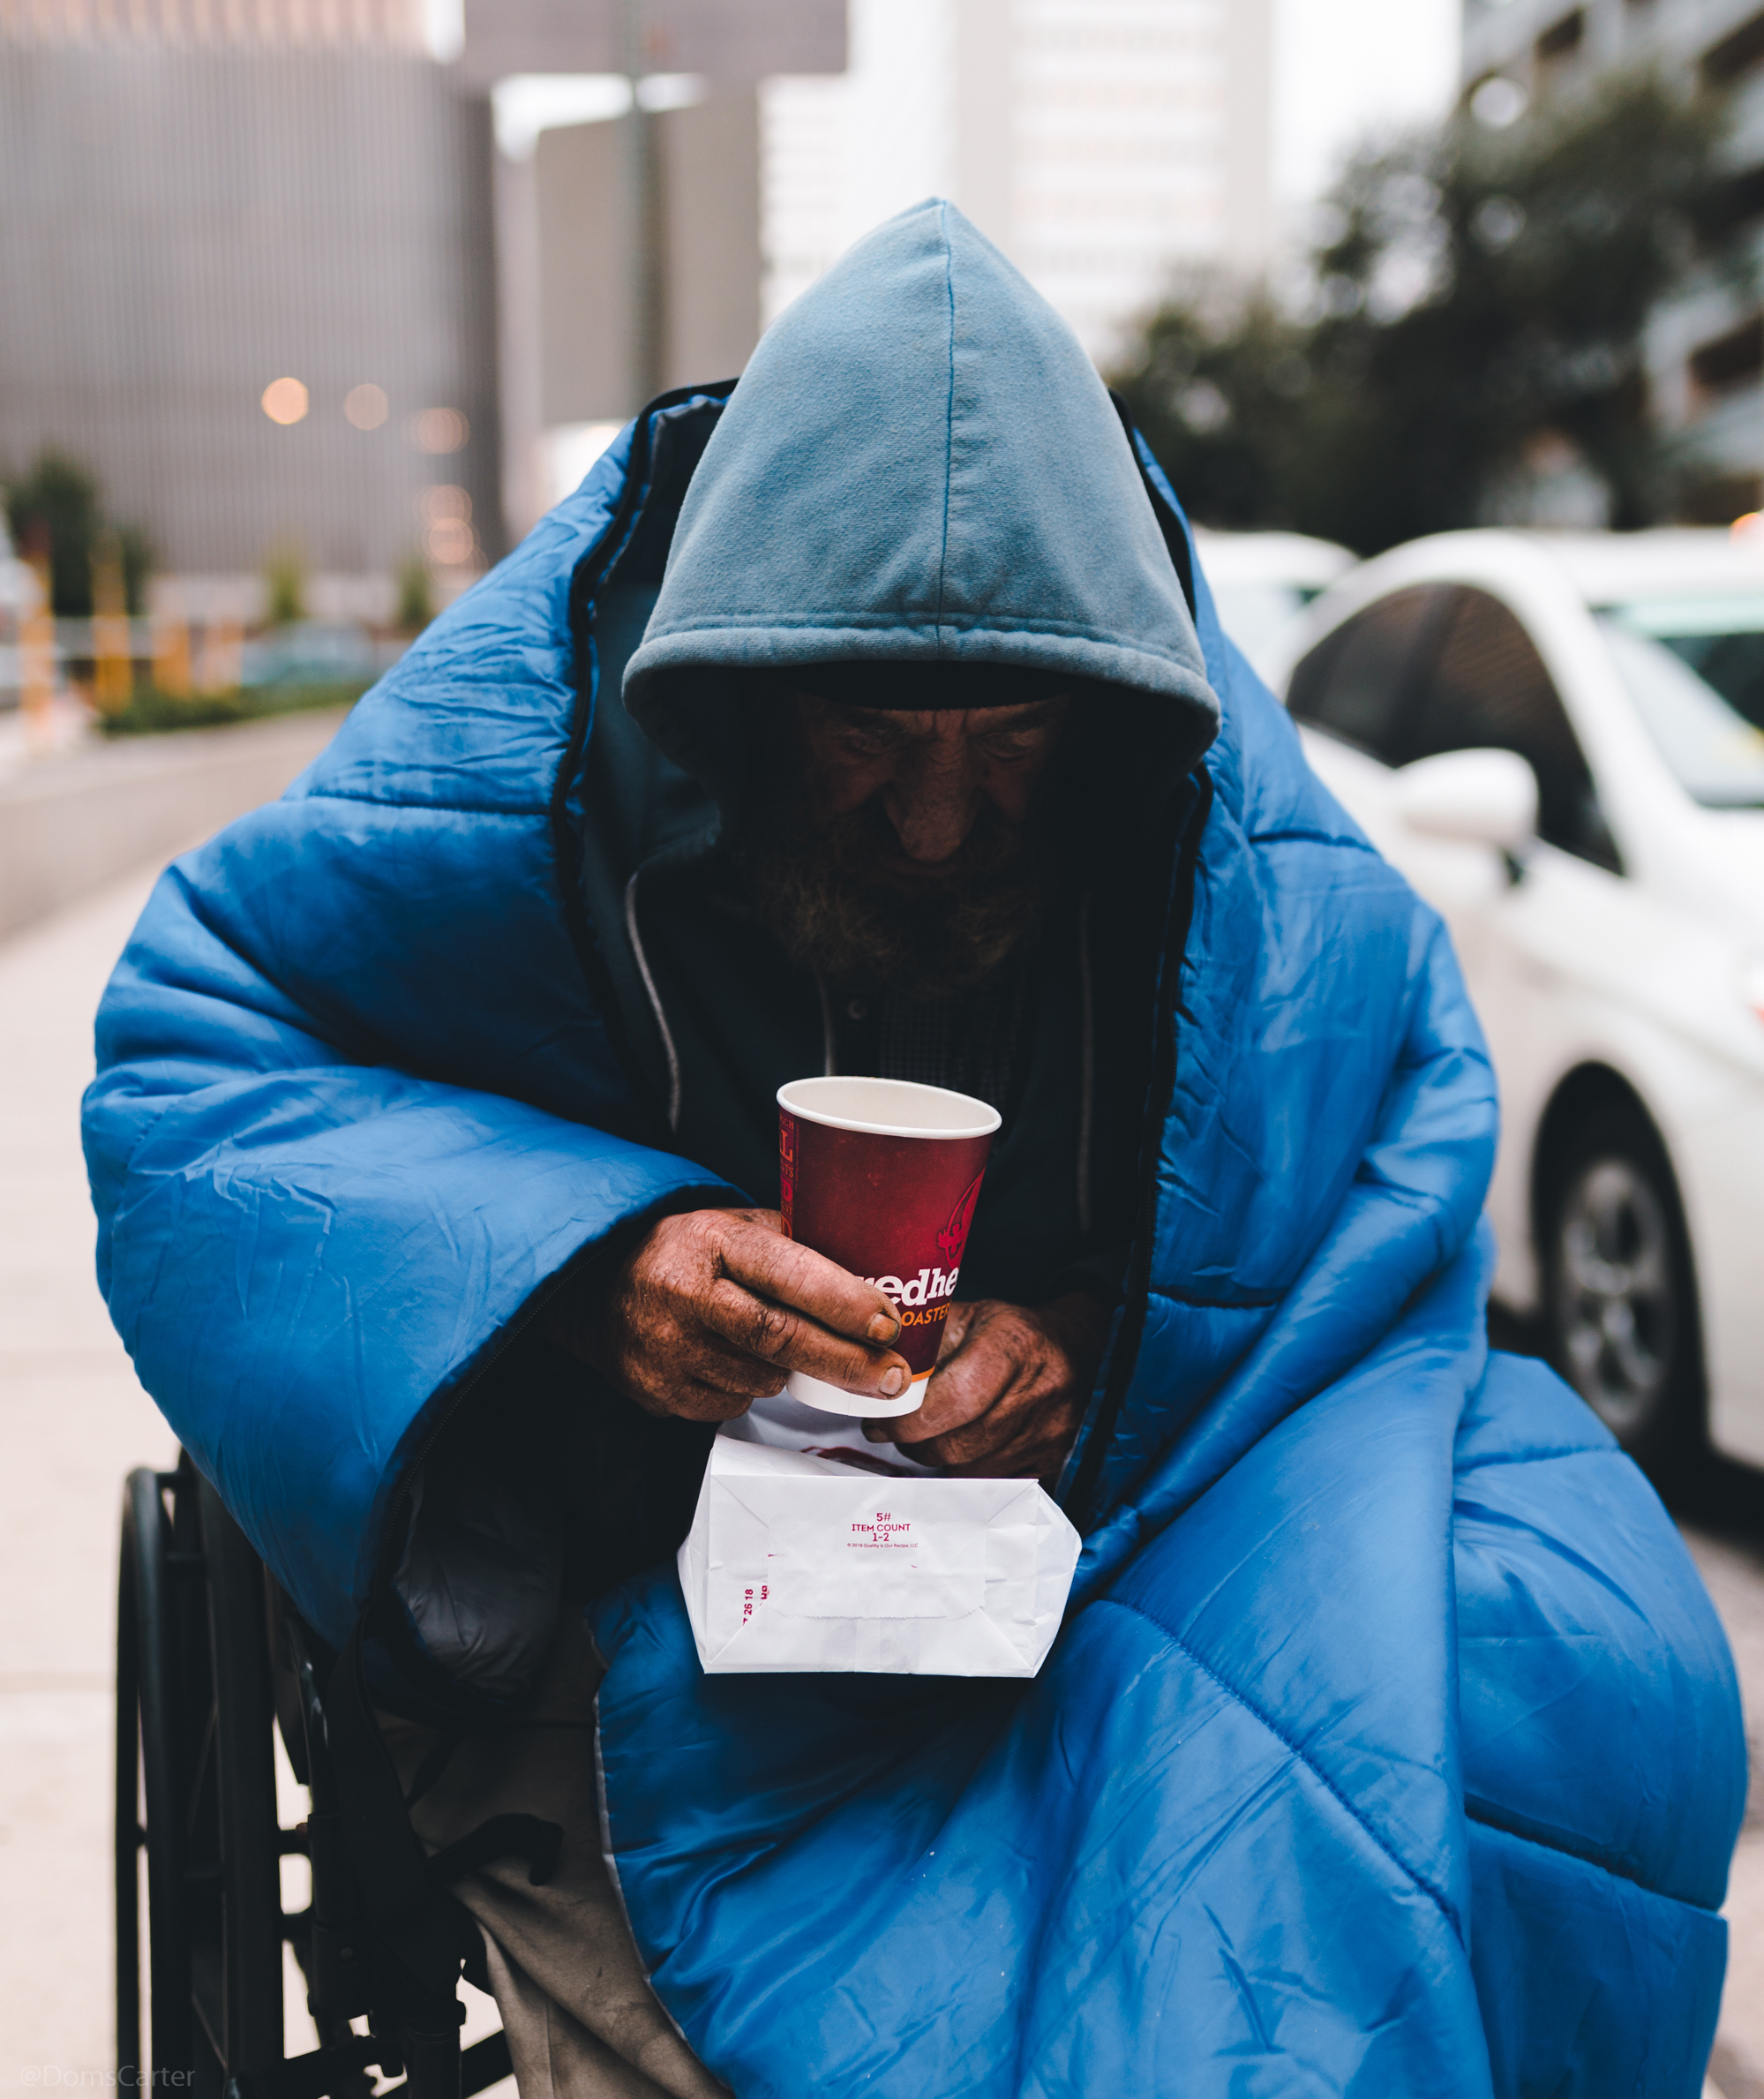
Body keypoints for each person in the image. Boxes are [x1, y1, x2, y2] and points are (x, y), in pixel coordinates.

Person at [86, 201, 1744, 2095]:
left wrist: (1093, 1330)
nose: (946, 819)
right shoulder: (524, 748)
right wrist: (581, 1271)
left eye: (1016, 727)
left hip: (1098, 1541)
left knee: (1600, 1677)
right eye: (872, 725)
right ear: (733, 684)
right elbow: (203, 1058)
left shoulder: (1198, 791)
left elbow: (1383, 1120)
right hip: (647, 1584)